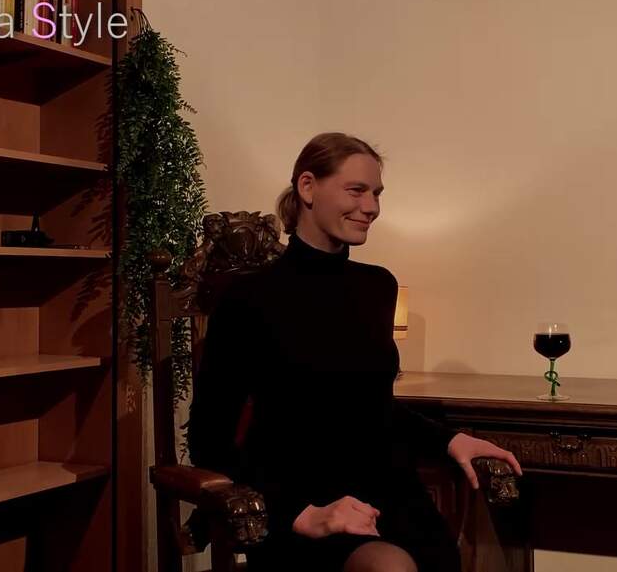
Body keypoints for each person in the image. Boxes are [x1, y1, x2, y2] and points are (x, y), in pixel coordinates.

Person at [188, 132, 522, 572]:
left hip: (387, 494)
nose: (372, 207)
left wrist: (451, 439)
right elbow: (209, 440)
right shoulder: (248, 298)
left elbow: (371, 408)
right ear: (308, 187)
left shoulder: (377, 286)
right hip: (299, 501)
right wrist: (302, 513)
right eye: (357, 190)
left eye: (377, 193)